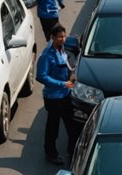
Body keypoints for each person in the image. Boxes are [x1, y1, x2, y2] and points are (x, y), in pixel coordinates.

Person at [37, 23, 77, 165]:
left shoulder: (62, 49)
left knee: (72, 126)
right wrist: (62, 84)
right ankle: (51, 153)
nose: (63, 39)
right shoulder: (47, 56)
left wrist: (70, 75)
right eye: (60, 37)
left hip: (65, 95)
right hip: (53, 98)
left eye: (64, 36)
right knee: (52, 129)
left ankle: (72, 152)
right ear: (52, 37)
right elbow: (41, 76)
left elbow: (65, 65)